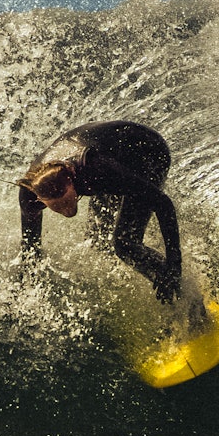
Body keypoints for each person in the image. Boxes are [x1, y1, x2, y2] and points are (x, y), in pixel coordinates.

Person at [17, 120, 183, 302]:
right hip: (111, 155)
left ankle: (180, 294)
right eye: (57, 206)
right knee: (97, 239)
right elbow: (31, 249)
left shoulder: (96, 171)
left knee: (125, 245)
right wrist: (27, 286)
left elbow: (163, 203)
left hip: (146, 151)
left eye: (66, 201)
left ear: (72, 181)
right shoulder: (30, 195)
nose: (66, 210)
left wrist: (174, 263)